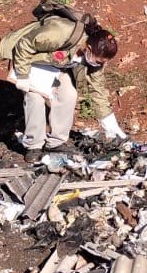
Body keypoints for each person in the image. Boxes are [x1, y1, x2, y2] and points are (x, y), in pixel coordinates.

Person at [8, 14, 126, 162]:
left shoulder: (96, 58)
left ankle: (56, 142)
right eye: (97, 61)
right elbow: (24, 44)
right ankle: (34, 146)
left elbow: (97, 88)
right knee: (35, 98)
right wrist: (23, 75)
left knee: (68, 94)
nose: (97, 64)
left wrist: (107, 120)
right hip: (30, 60)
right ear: (88, 48)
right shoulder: (59, 33)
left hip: (56, 65)